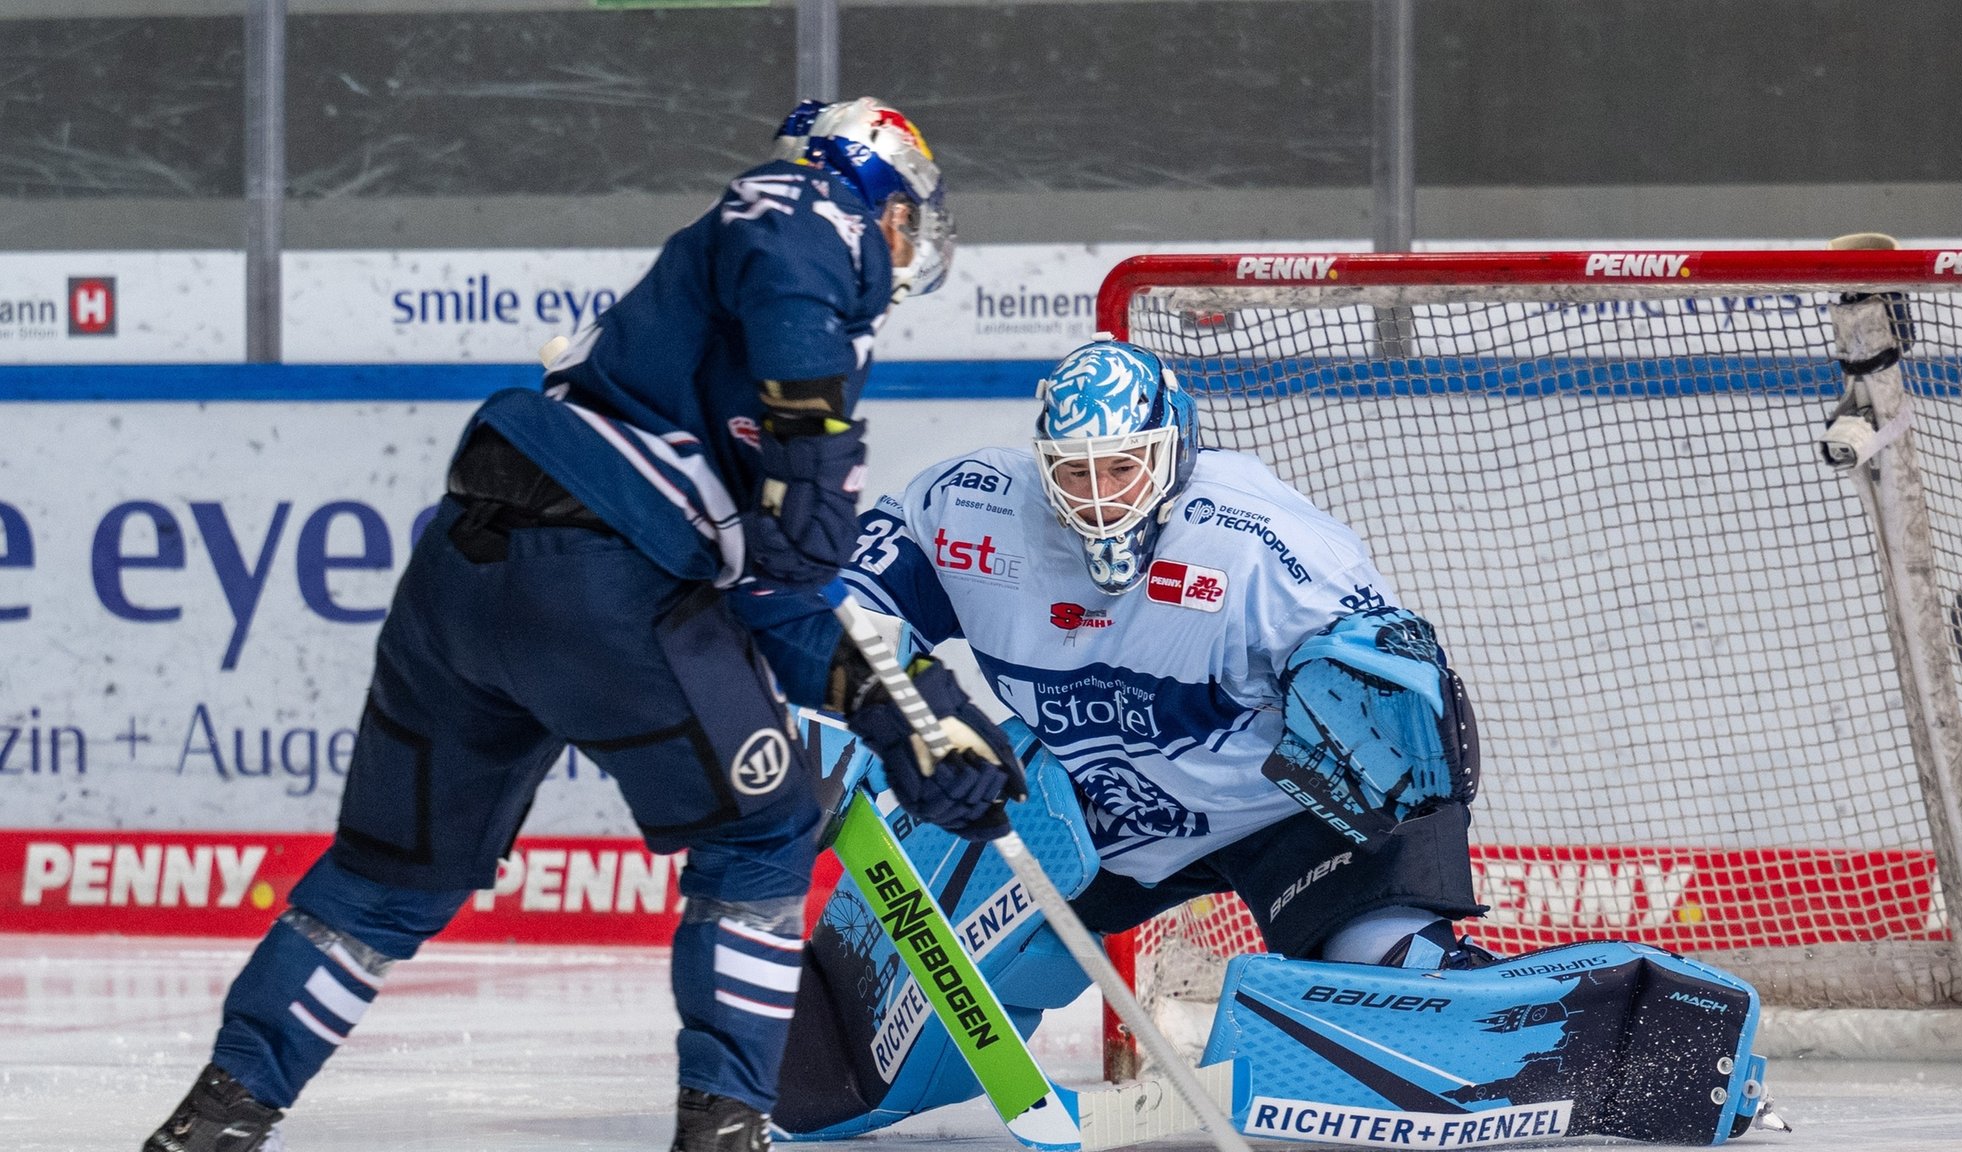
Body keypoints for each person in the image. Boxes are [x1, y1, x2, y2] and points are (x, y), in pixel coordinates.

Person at [141, 97, 1016, 1152]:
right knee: (762, 831)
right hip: (601, 584)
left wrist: (903, 715)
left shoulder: (700, 351)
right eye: (904, 216)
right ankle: (724, 1131)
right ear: (877, 207)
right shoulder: (803, 217)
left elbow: (772, 600)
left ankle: (218, 1117)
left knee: (382, 879)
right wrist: (811, 425)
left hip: (467, 573)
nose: (908, 241)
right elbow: (781, 223)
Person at [771, 337, 1486, 1138]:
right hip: (1093, 807)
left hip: (1277, 815)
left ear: (1175, 445)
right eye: (1075, 471)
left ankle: (1517, 1029)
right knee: (843, 1068)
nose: (1098, 497)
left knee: (1396, 984)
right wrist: (830, 702)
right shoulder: (972, 508)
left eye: (1122, 466)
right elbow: (843, 596)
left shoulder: (1263, 546)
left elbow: (1394, 718)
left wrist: (1376, 706)